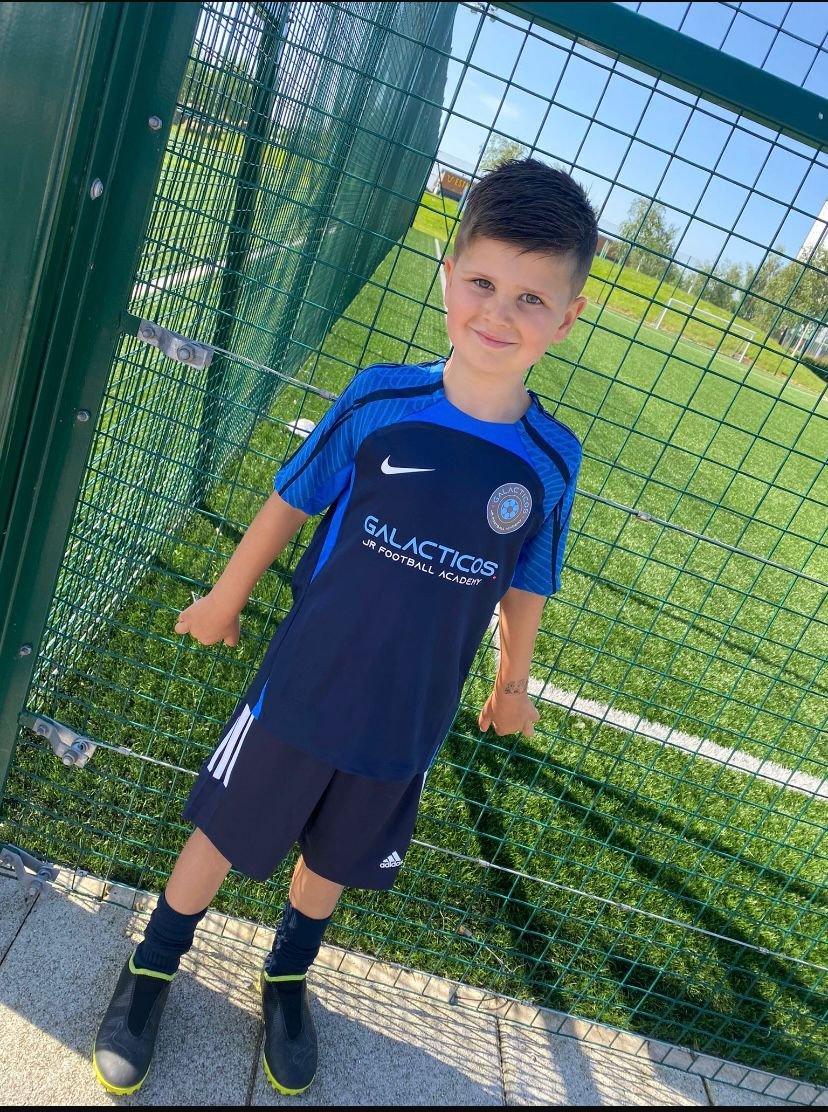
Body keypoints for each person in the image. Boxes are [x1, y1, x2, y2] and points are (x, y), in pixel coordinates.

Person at [92, 157, 596, 1097]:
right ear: (448, 277)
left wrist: (512, 680)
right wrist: (225, 595)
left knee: (333, 856)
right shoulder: (379, 399)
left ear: (566, 319)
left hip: (410, 714)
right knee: (222, 830)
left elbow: (528, 575)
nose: (498, 311)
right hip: (304, 684)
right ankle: (152, 965)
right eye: (482, 282)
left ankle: (286, 978)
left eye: (531, 298)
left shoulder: (550, 458)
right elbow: (291, 499)